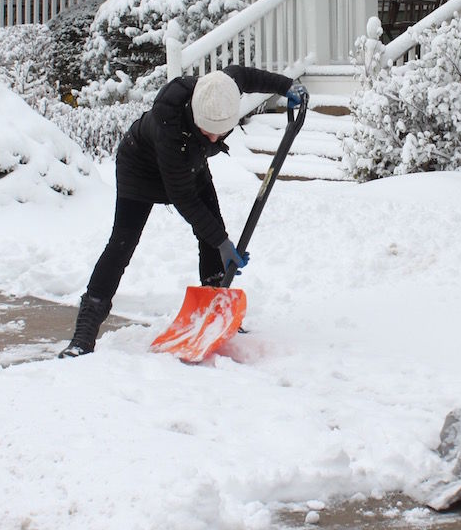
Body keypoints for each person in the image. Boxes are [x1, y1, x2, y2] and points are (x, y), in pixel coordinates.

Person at [59, 65, 304, 358]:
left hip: (190, 165)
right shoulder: (169, 121)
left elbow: (249, 77)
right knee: (122, 244)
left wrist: (287, 86)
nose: (214, 139)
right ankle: (83, 335)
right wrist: (223, 242)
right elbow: (184, 198)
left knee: (212, 228)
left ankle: (216, 314)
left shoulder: (221, 87)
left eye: (220, 132)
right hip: (140, 169)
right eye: (207, 132)